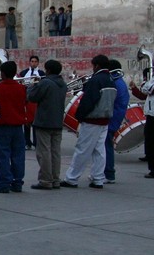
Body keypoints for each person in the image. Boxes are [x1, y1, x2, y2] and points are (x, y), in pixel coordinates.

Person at [60, 54, 116, 189]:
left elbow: (88, 101)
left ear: (97, 66)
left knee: (82, 149)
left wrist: (80, 116)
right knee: (99, 151)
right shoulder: (111, 80)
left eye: (93, 66)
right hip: (104, 120)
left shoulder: (96, 80)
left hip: (92, 119)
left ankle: (72, 178)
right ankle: (98, 179)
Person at [0, 60, 27, 193]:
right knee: (18, 154)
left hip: (4, 125)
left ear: (2, 73)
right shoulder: (22, 88)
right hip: (18, 126)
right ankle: (17, 182)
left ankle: (4, 183)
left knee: (4, 154)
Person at [27, 59, 66, 190]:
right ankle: (55, 179)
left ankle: (45, 180)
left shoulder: (45, 83)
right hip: (57, 121)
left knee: (44, 152)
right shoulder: (63, 84)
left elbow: (32, 97)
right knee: (55, 152)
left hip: (44, 121)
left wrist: (31, 85)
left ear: (48, 70)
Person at [104, 59, 129, 184]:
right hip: (116, 116)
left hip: (111, 118)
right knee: (105, 146)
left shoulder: (114, 83)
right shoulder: (119, 81)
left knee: (106, 146)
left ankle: (108, 173)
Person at [19, 55, 45, 150]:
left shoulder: (41, 73)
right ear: (29, 62)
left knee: (35, 122)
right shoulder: (24, 73)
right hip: (27, 100)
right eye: (32, 61)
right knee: (26, 122)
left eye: (35, 61)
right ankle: (27, 142)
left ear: (38, 63)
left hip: (36, 101)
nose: (34, 63)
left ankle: (36, 142)